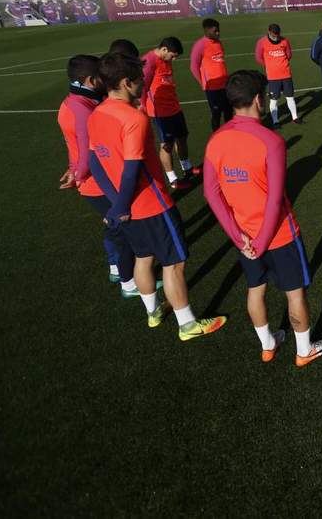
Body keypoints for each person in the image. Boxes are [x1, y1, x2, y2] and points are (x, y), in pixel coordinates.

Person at [87, 52, 226, 340]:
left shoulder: (97, 114)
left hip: (126, 208)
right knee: (174, 263)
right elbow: (131, 169)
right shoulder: (133, 118)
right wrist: (122, 205)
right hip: (152, 205)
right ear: (126, 83)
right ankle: (187, 325)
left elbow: (95, 163)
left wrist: (116, 204)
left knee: (143, 257)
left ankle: (153, 312)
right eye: (140, 80)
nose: (143, 84)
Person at [203, 70, 322, 366]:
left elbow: (211, 193)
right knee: (294, 293)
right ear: (258, 100)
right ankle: (303, 351)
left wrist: (239, 237)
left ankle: (268, 345)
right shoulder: (271, 141)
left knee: (255, 289)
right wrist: (261, 241)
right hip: (279, 235)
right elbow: (274, 199)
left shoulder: (216, 140)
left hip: (244, 237)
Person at [57, 54, 140, 296]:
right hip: (96, 183)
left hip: (91, 180)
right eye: (101, 78)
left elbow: (73, 145)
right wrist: (78, 173)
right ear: (91, 80)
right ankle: (128, 283)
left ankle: (115, 267)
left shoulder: (74, 102)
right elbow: (87, 150)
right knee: (122, 229)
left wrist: (73, 169)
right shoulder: (82, 109)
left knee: (112, 225)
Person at [141, 37, 196, 191]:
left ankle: (187, 168)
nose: (174, 59)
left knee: (182, 137)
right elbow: (142, 88)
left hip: (174, 107)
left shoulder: (165, 58)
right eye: (173, 56)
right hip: (160, 112)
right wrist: (143, 109)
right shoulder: (149, 62)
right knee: (167, 145)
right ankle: (173, 179)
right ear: (164, 49)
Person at [254, 23, 302, 127]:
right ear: (269, 32)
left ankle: (295, 117)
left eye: (277, 35)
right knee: (274, 99)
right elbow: (258, 57)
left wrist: (282, 64)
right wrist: (269, 65)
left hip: (286, 75)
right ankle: (275, 121)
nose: (276, 37)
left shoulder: (285, 41)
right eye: (274, 35)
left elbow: (289, 54)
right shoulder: (261, 42)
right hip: (273, 77)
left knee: (290, 97)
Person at [190, 18, 232, 131]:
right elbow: (193, 67)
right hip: (212, 88)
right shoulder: (200, 45)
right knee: (216, 113)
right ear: (207, 30)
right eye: (215, 31)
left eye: (218, 30)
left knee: (228, 111)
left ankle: (230, 134)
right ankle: (216, 136)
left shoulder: (218, 42)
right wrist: (203, 83)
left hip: (225, 85)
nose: (218, 33)